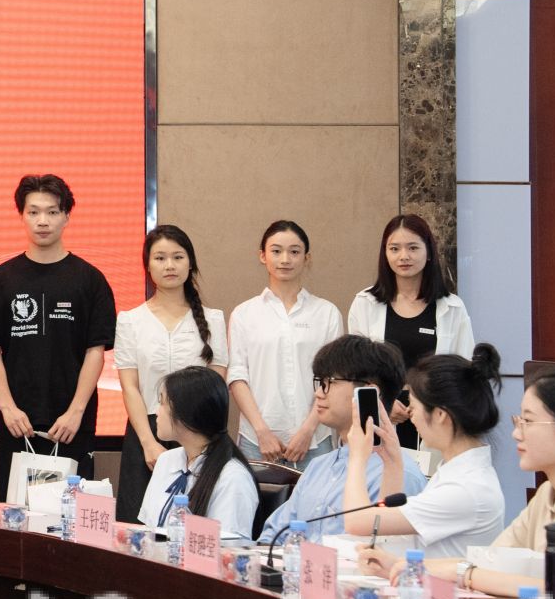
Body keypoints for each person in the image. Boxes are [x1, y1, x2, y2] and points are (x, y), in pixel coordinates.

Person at [411, 367, 555, 597]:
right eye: (519, 421)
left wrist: (465, 574)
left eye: (528, 421)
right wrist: (413, 565)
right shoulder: (548, 492)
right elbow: (491, 561)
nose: (517, 433)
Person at [0, 174, 115, 499]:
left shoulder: (90, 280)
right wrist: (8, 408)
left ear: (66, 216)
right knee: (16, 514)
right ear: (21, 215)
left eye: (52, 212)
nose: (43, 221)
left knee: (71, 515)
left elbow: (95, 351)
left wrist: (76, 411)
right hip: (17, 423)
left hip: (71, 425)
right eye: (34, 212)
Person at [256, 336, 427, 545]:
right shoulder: (318, 466)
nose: (318, 394)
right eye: (320, 383)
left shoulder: (401, 475)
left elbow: (382, 553)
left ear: (369, 392)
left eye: (329, 383)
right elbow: (273, 534)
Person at [113, 225, 228, 523]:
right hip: (147, 432)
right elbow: (130, 387)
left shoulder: (213, 319)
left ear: (190, 264)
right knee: (136, 527)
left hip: (198, 436)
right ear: (147, 265)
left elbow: (216, 384)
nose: (169, 265)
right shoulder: (130, 321)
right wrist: (148, 443)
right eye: (160, 258)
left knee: (195, 524)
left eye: (178, 257)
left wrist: (198, 445)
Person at [349, 351, 506, 567]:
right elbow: (385, 527)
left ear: (440, 415)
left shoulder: (466, 488)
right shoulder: (457, 471)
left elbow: (358, 521)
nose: (410, 415)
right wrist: (393, 462)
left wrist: (357, 456)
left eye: (413, 407)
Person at [345, 214, 477, 450]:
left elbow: (464, 370)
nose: (403, 256)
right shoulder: (365, 303)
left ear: (429, 252)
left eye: (413, 248)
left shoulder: (452, 307)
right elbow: (355, 370)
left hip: (433, 414)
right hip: (382, 415)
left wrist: (428, 406)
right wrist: (382, 402)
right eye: (394, 248)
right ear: (385, 254)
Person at [226, 221, 344, 465]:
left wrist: (307, 430)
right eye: (276, 251)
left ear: (306, 258)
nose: (285, 259)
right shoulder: (244, 314)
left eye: (294, 251)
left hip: (314, 439)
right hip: (256, 440)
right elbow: (237, 376)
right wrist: (262, 431)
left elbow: (333, 378)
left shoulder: (326, 313)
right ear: (263, 256)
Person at [138, 367, 258, 541]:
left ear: (187, 412)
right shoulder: (166, 460)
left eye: (162, 403)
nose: (157, 412)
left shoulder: (232, 477)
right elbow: (148, 530)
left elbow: (227, 547)